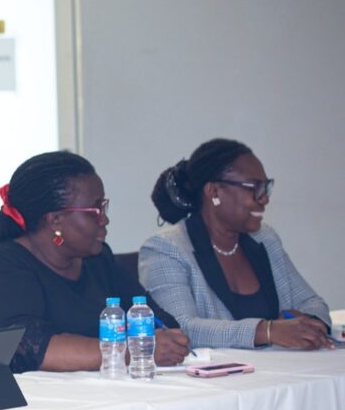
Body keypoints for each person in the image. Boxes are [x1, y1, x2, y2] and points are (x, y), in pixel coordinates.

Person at [0, 151, 191, 373]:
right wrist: (132, 351)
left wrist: (167, 341)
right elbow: (31, 349)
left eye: (103, 207)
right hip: (32, 398)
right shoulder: (1, 269)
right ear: (55, 220)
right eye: (95, 210)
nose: (105, 219)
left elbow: (157, 320)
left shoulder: (98, 261)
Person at [140, 138, 331, 350]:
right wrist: (266, 331)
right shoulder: (167, 248)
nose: (264, 199)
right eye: (254, 188)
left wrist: (308, 323)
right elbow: (179, 329)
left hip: (284, 367)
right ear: (214, 192)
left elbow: (313, 303)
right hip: (220, 371)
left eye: (266, 187)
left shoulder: (265, 238)